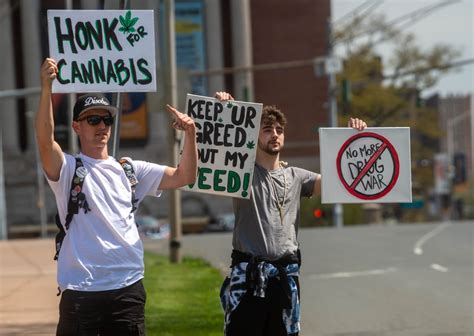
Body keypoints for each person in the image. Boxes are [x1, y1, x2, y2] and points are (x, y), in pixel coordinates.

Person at [35, 57, 197, 335]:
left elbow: (185, 176)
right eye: (93, 119)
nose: (102, 126)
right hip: (81, 291)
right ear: (77, 127)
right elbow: (45, 141)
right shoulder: (68, 169)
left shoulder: (131, 170)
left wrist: (191, 135)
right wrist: (47, 89)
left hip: (128, 289)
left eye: (107, 119)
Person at [215, 92, 366, 336]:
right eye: (267, 129)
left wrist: (355, 139)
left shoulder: (297, 176)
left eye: (279, 129)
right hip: (249, 277)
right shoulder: (241, 173)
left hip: (284, 278)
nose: (275, 134)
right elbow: (217, 154)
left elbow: (340, 181)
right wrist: (226, 113)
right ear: (253, 136)